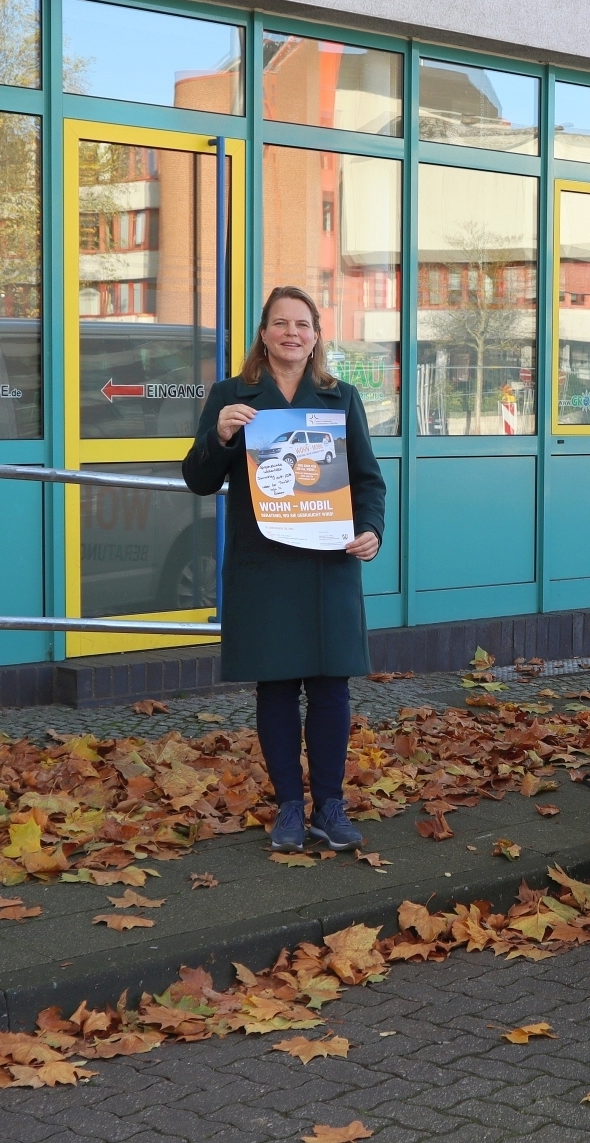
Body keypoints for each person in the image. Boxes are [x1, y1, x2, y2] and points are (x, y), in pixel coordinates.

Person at [184, 286, 387, 855]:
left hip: (328, 563)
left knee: (330, 687)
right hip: (264, 563)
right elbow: (198, 478)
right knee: (275, 687)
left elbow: (367, 479)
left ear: (316, 335)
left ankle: (330, 804)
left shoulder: (340, 396)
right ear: (265, 334)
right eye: (280, 324)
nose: (291, 333)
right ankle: (289, 809)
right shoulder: (233, 395)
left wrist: (371, 529)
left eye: (302, 324)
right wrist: (219, 435)